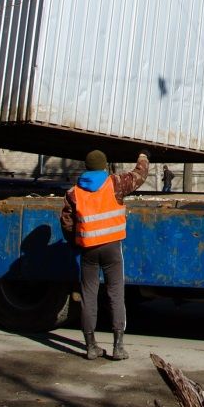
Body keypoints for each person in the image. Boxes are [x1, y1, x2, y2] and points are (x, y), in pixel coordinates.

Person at [60, 149, 148, 361]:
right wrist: (143, 157)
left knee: (88, 296)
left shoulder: (73, 192)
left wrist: (76, 243)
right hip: (111, 248)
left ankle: (91, 346)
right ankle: (118, 347)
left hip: (89, 250)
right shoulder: (114, 183)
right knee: (115, 294)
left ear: (86, 167)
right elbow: (139, 175)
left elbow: (67, 223)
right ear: (104, 165)